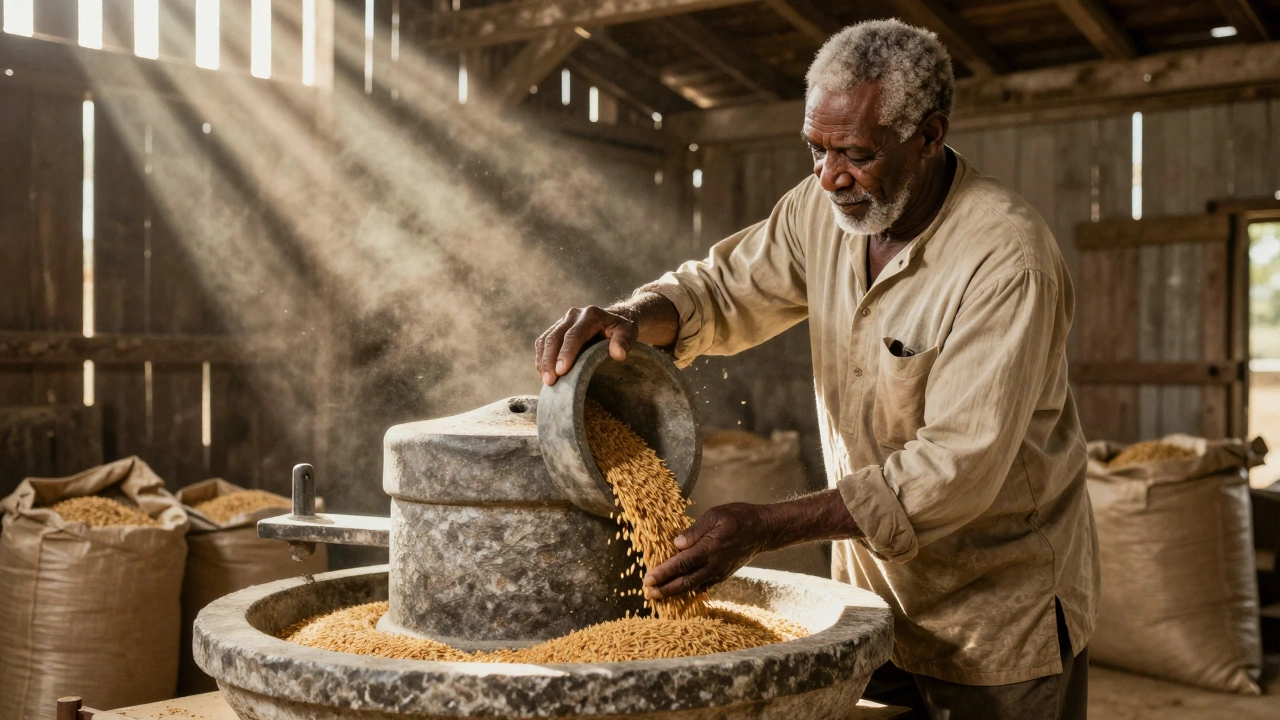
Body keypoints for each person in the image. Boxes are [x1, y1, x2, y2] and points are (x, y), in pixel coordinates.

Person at [535, 19, 1097, 720]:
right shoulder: (822, 212)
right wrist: (630, 314)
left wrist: (765, 525)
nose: (830, 176)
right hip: (876, 599)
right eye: (816, 148)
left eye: (856, 154)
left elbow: (956, 466)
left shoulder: (1005, 258)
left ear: (928, 135)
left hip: (994, 612)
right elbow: (720, 288)